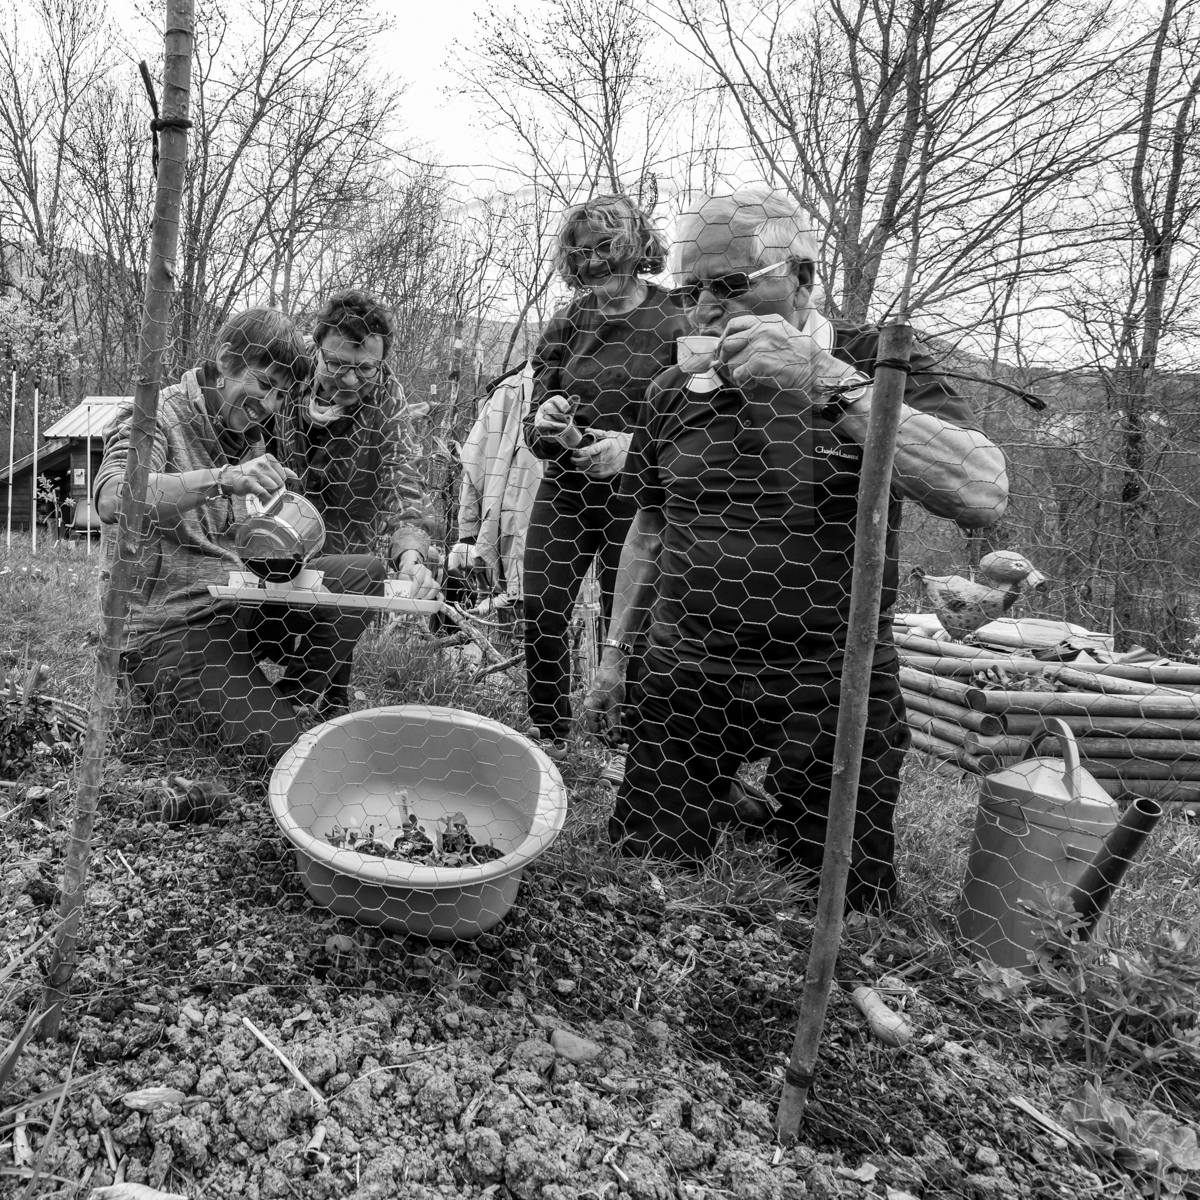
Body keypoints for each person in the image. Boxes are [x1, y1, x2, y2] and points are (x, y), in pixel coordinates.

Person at [583, 186, 1009, 910]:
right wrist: (617, 661)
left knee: (843, 903)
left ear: (803, 278)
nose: (710, 308)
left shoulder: (875, 361)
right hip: (688, 667)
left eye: (732, 287)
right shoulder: (672, 390)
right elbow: (649, 528)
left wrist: (826, 382)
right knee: (642, 887)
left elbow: (980, 492)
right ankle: (719, 812)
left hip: (832, 678)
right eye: (694, 293)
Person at [95, 307, 386, 764]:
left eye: (280, 394)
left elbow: (245, 535)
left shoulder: (245, 434)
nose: (269, 406)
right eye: (265, 384)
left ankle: (287, 702)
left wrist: (275, 514)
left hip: (238, 606)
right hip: (171, 630)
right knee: (296, 755)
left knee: (362, 576)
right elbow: (114, 500)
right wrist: (223, 478)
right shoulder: (152, 416)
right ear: (227, 360)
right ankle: (216, 711)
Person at [524, 194, 688, 757]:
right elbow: (533, 428)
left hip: (639, 500)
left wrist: (633, 447)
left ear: (635, 248)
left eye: (605, 249)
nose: (594, 263)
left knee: (629, 625)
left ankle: (621, 740)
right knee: (542, 606)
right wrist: (546, 421)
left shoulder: (676, 320)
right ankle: (548, 737)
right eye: (582, 253)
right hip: (568, 492)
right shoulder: (569, 322)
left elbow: (697, 428)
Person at [274, 289, 439, 599]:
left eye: (364, 368)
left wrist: (411, 556)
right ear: (318, 349)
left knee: (327, 641)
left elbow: (402, 480)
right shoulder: (290, 368)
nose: (350, 380)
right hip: (275, 545)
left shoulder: (388, 401)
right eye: (337, 364)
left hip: (343, 558)